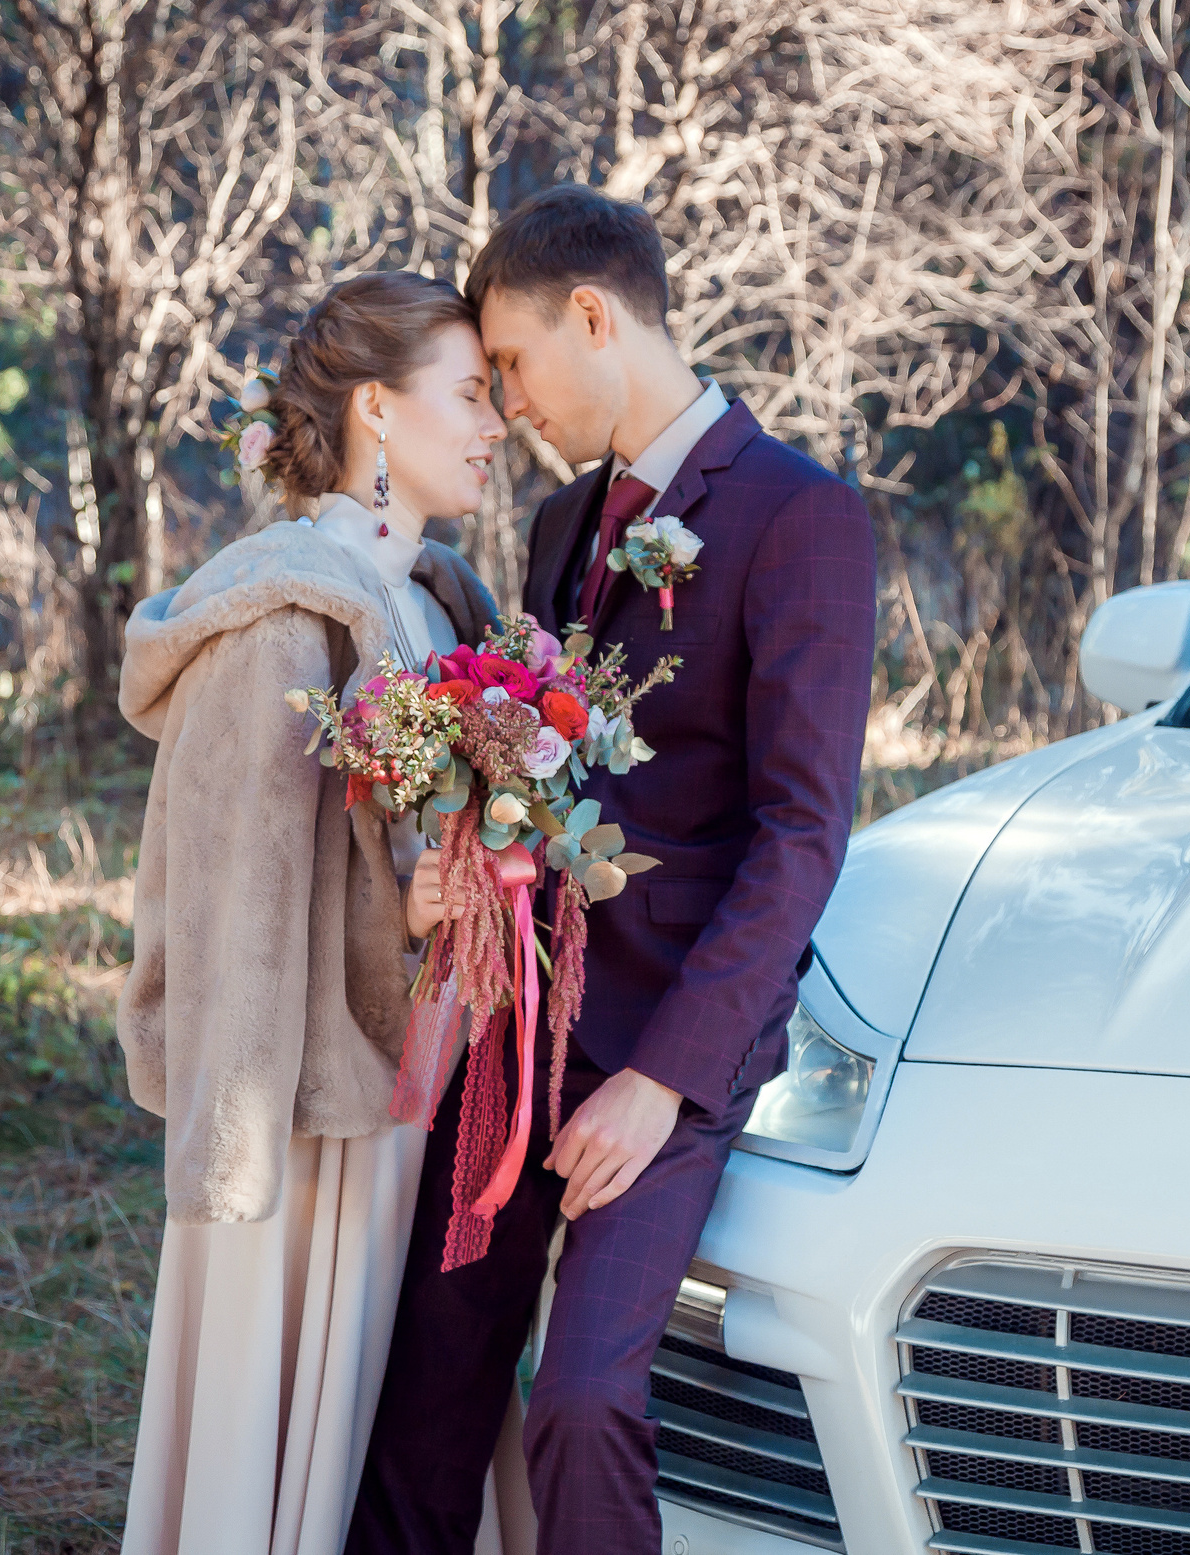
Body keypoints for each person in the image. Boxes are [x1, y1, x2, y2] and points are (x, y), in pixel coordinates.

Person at [348, 186, 878, 1555]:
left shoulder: (800, 518)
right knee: (427, 1383)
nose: (506, 401)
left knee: (580, 1397)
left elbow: (802, 833)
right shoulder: (565, 525)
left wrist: (663, 1081)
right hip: (519, 1025)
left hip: (671, 1049)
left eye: (512, 362)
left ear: (594, 316)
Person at [116, 271, 509, 1555]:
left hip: (427, 1082)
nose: (497, 421)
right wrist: (402, 909)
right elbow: (242, 893)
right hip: (306, 1113)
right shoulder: (283, 610)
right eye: (469, 393)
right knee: (287, 1422)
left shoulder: (436, 596)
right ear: (380, 413)